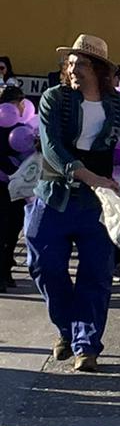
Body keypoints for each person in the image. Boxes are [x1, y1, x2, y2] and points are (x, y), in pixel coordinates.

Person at [26, 34, 120, 372]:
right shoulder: (54, 98)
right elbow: (52, 148)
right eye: (69, 63)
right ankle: (67, 329)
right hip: (54, 195)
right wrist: (89, 177)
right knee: (44, 266)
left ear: (98, 69)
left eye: (80, 62)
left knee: (96, 274)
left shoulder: (118, 104)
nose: (72, 68)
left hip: (99, 204)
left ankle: (86, 347)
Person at [0, 84, 25, 290]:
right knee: (7, 230)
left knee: (10, 229)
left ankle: (5, 271)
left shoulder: (21, 125)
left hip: (13, 185)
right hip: (9, 185)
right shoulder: (12, 126)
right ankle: (3, 273)